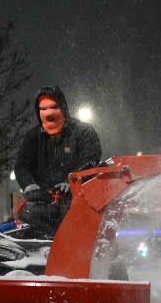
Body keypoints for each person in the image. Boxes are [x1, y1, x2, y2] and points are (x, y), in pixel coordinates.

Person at [13, 85, 102, 236]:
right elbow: (22, 165)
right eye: (43, 109)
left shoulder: (83, 132)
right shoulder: (33, 138)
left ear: (63, 108)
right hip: (43, 205)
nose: (48, 113)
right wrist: (30, 186)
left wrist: (72, 181)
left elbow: (91, 158)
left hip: (78, 204)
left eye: (53, 107)